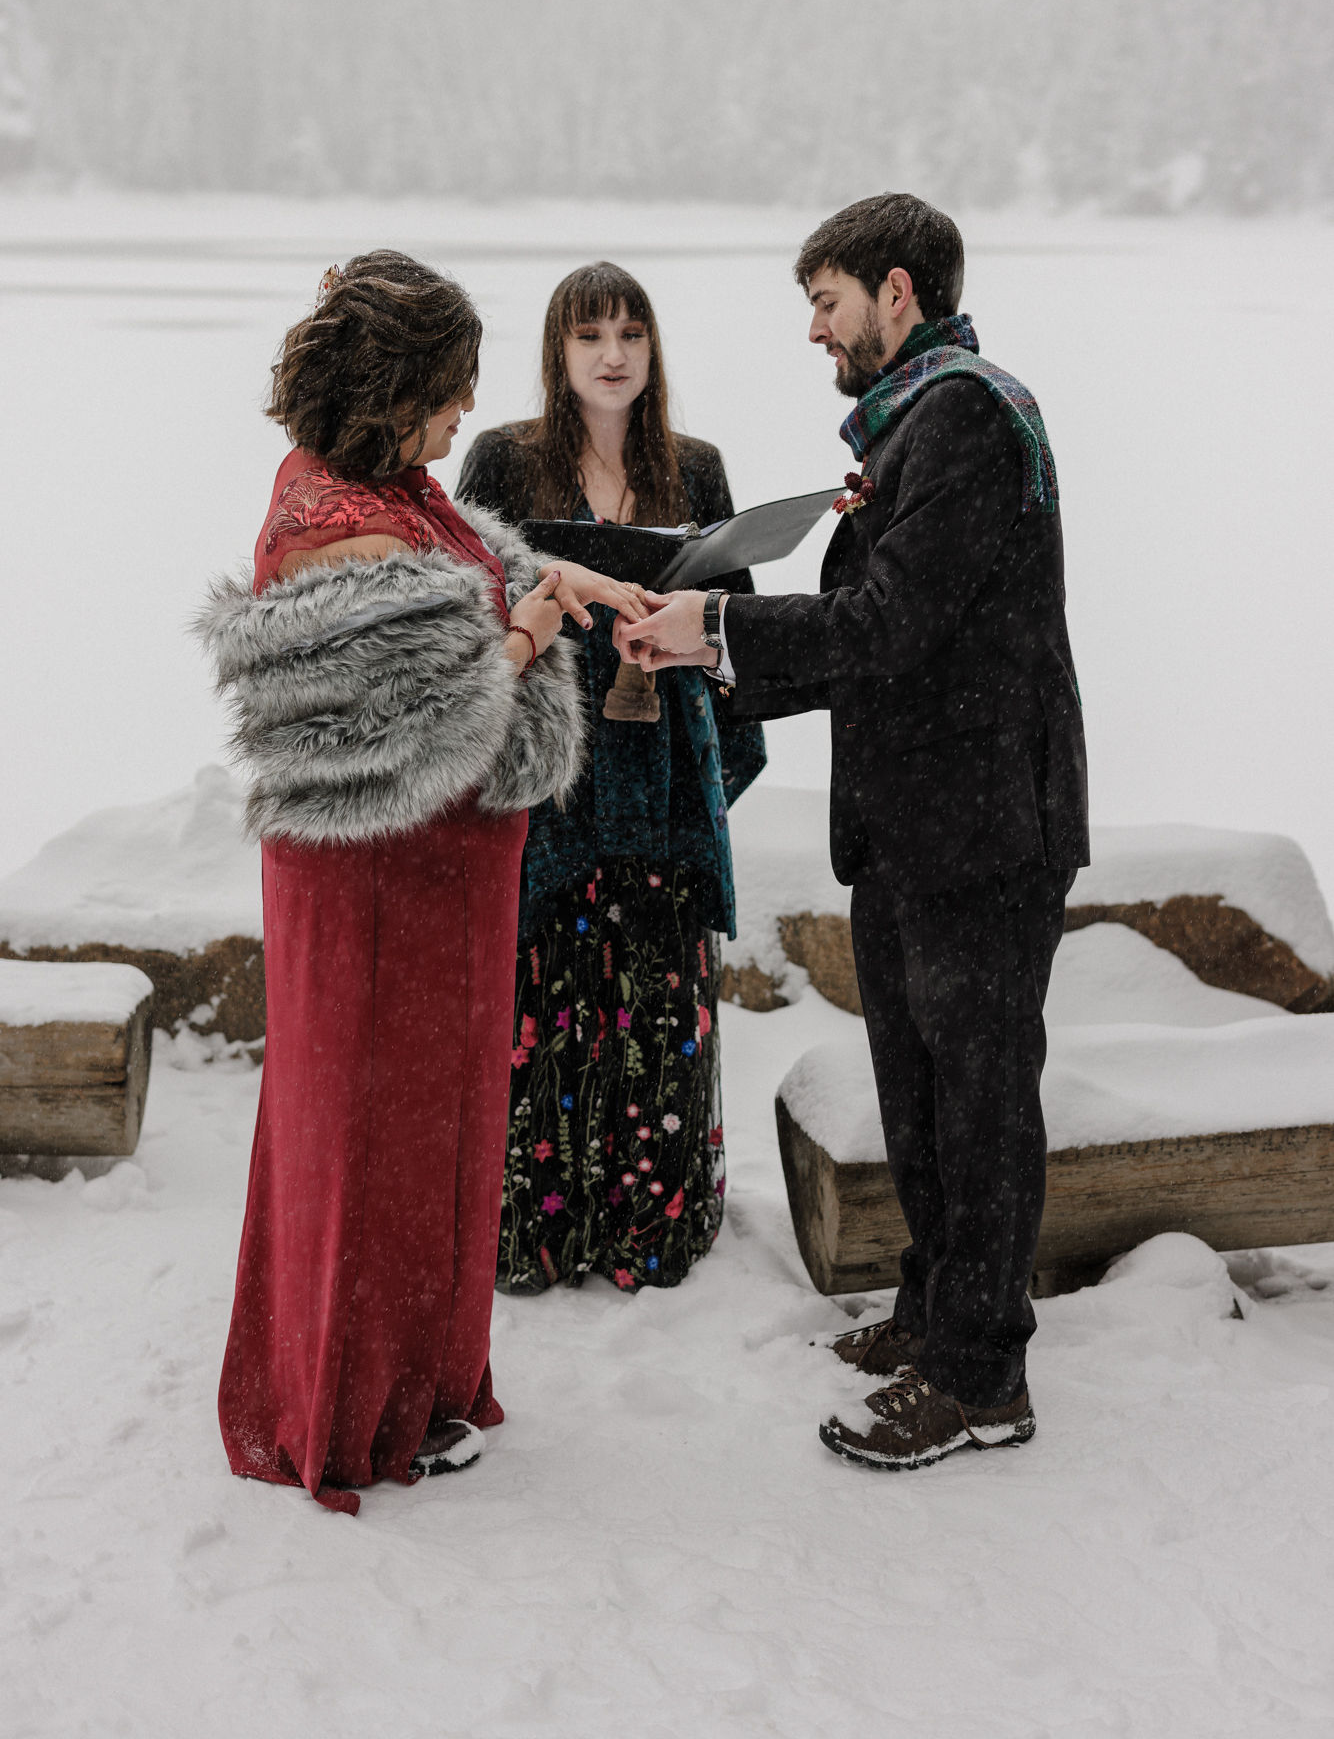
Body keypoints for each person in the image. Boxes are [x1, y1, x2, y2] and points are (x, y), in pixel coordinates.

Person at [615, 195, 1088, 1468]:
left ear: (895, 289)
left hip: (985, 832)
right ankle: (933, 1311)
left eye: (824, 304)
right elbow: (878, 627)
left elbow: (887, 624)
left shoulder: (971, 415)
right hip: (915, 826)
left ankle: (983, 1375)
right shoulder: (913, 423)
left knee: (981, 1106)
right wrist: (718, 634)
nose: (814, 332)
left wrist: (707, 632)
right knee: (921, 1093)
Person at [196, 251, 645, 1513]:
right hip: (379, 892)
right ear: (395, 387)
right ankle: (353, 1411)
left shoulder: (378, 485)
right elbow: (432, 714)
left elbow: (469, 580)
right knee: (369, 1146)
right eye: (451, 390)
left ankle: (422, 1378)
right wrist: (527, 632)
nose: (463, 416)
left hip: (436, 883)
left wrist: (559, 583)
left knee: (432, 1137)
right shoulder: (344, 528)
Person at [457, 261, 766, 1293]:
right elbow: (464, 598)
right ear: (557, 349)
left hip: (660, 775)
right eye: (590, 333)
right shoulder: (503, 460)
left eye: (631, 331)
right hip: (555, 774)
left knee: (654, 998)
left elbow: (736, 634)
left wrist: (685, 645)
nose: (612, 353)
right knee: (541, 995)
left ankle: (648, 1220)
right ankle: (541, 1227)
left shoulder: (697, 466)